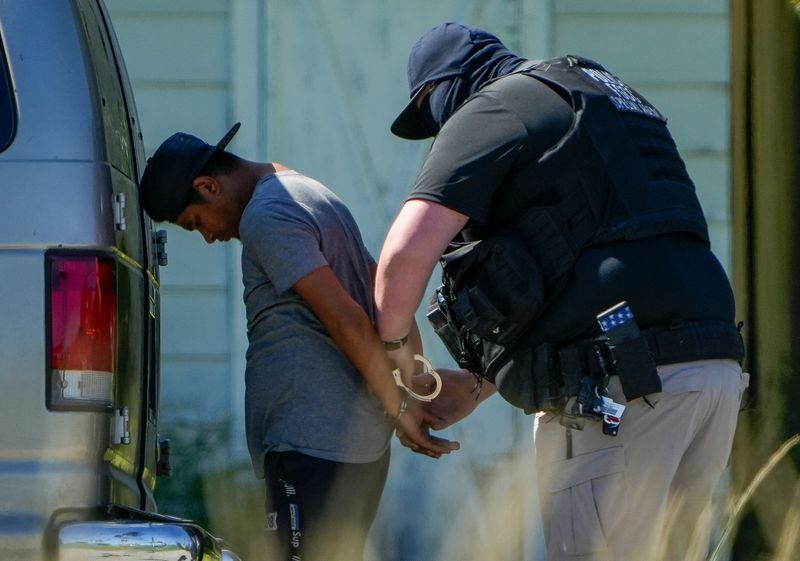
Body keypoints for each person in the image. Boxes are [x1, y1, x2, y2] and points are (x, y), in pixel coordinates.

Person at [375, 22, 747, 561]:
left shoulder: (490, 108)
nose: (437, 132)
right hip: (710, 371)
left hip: (621, 387)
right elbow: (593, 251)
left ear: (442, 88)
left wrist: (395, 366)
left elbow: (404, 254)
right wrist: (480, 386)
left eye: (430, 115)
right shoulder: (598, 95)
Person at [138, 123, 457, 561]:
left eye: (196, 224)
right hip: (347, 448)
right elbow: (385, 294)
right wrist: (408, 389)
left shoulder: (266, 216)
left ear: (208, 186)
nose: (209, 237)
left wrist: (402, 409)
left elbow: (349, 321)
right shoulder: (309, 192)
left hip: (310, 447)